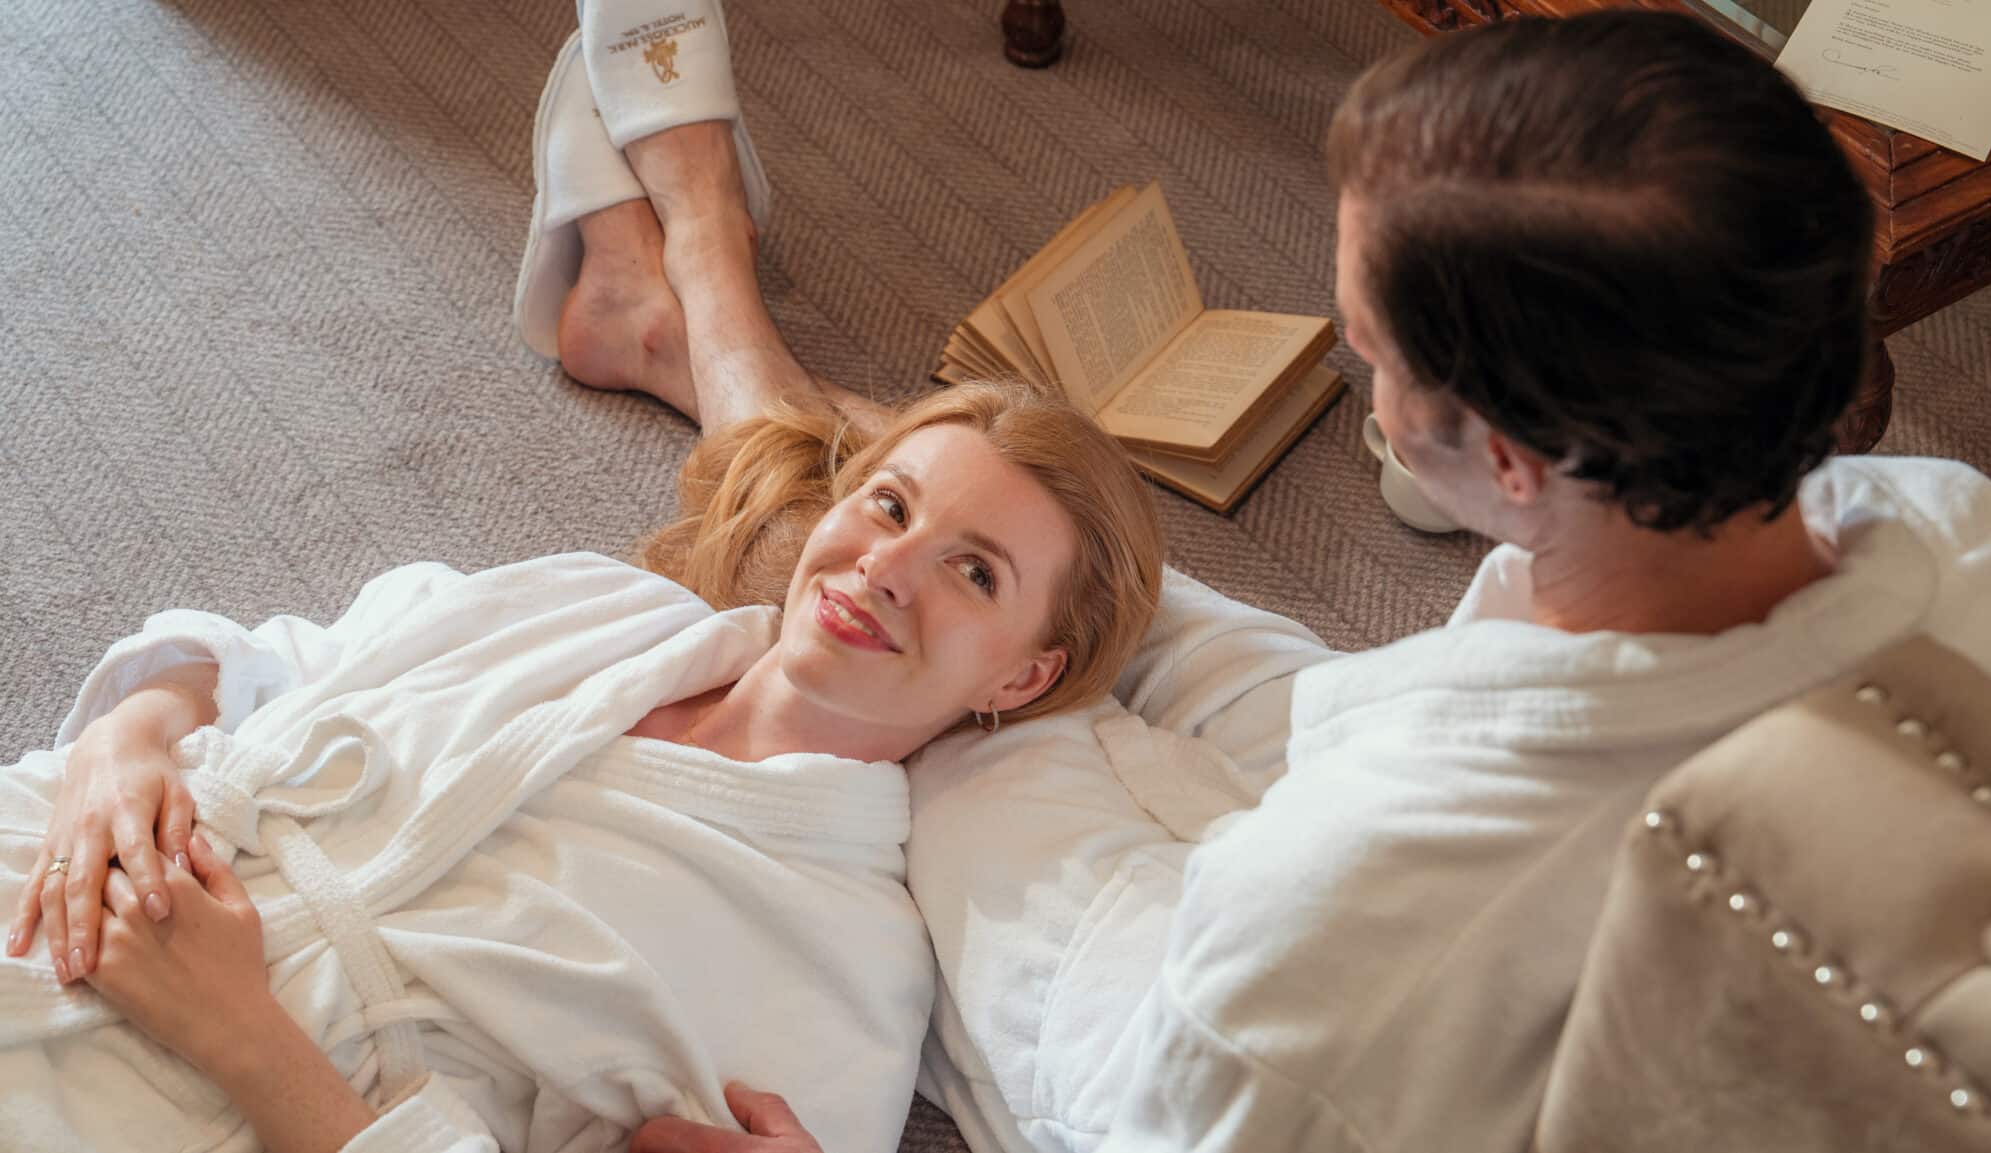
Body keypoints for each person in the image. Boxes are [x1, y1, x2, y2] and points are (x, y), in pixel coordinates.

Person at [627, 12, 1991, 1153]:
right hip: (1508, 811)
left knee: (942, 644)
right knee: (1028, 556)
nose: (1360, 379)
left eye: (1367, 354)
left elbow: (1193, 1089)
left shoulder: (1335, 926)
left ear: (1503, 461)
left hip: (1184, 1036)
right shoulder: (1959, 530)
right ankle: (747, 363)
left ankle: (714, 315)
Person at [0, 31, 1167, 1151]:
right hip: (39, 866)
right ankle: (682, 268)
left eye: (974, 571)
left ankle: (687, 261)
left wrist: (240, 1033)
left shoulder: (847, 967)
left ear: (1023, 675)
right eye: (890, 504)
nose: (886, 569)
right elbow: (268, 658)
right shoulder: (595, 604)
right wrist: (122, 742)